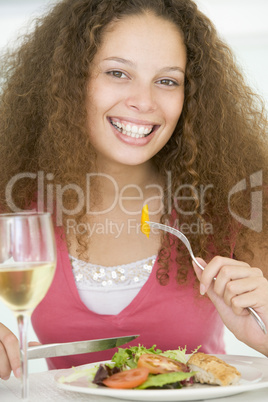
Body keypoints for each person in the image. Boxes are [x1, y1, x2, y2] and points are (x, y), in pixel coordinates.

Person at [0, 0, 268, 381]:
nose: (143, 102)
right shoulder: (16, 202)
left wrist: (265, 334)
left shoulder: (231, 204)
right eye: (117, 73)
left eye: (167, 81)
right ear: (68, 81)